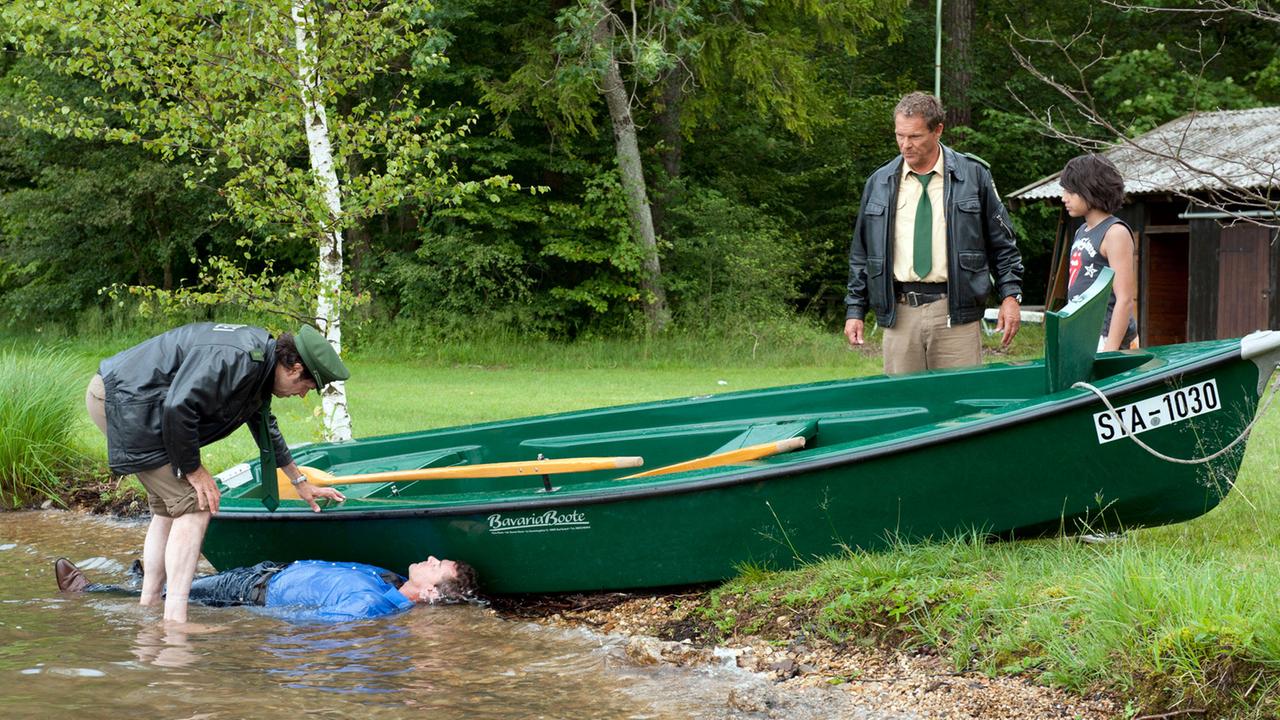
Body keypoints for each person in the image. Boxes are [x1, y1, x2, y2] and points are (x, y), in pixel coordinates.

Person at [85, 322, 351, 624]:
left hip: (132, 401)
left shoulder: (258, 362)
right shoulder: (238, 360)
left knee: (168, 510)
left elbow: (265, 426)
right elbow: (179, 406)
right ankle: (175, 623)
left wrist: (299, 481)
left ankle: (149, 608)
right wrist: (194, 469)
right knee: (195, 504)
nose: (303, 395)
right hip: (124, 402)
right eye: (307, 387)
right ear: (295, 368)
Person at [844, 92, 1025, 375]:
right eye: (899, 135)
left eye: (914, 136)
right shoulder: (878, 182)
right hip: (899, 314)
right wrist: (855, 309)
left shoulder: (974, 176)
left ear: (938, 130)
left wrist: (1010, 297)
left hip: (956, 314)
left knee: (962, 409)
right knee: (905, 407)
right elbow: (861, 254)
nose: (905, 145)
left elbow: (1003, 245)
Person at [54, 555, 480, 622]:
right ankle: (138, 579)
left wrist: (243, 615)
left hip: (249, 592)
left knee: (171, 596)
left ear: (432, 594)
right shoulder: (389, 581)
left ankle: (88, 590)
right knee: (173, 583)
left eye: (434, 566)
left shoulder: (371, 605)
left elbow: (305, 622)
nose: (427, 558)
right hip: (264, 572)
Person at [1059, 154, 1138, 351]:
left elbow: (1125, 298)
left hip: (1107, 337)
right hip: (1083, 333)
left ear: (1091, 189)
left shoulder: (1115, 233)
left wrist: (1109, 351)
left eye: (1070, 191)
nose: (1064, 198)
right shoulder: (1081, 231)